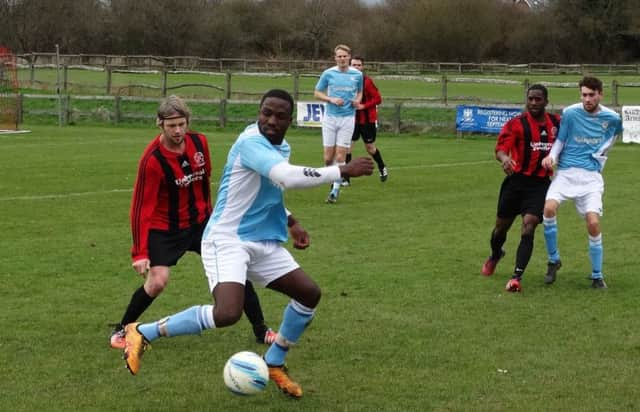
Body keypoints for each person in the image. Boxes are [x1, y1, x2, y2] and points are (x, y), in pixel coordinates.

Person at [121, 89, 374, 398]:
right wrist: (343, 170)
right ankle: (142, 332)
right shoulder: (251, 142)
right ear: (258, 111)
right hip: (226, 239)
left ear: (289, 120)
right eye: (266, 112)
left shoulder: (280, 147)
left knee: (309, 294)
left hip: (260, 240)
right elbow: (288, 178)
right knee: (227, 313)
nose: (271, 120)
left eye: (279, 116)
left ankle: (275, 362)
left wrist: (291, 222)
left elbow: (269, 190)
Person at [109, 95, 276, 350]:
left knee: (235, 270)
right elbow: (141, 208)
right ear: (160, 124)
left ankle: (261, 330)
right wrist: (140, 252)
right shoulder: (152, 160)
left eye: (181, 124)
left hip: (201, 224)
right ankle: (123, 329)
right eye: (171, 125)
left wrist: (215, 219)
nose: (177, 131)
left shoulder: (200, 143)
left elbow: (205, 182)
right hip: (165, 228)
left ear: (188, 122)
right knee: (157, 281)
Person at [540, 76, 622, 289]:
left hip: (591, 178)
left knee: (593, 223)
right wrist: (552, 158)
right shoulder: (570, 113)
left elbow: (615, 136)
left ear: (600, 95)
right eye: (584, 94)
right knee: (548, 209)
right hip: (566, 173)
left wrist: (600, 156)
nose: (587, 99)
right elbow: (561, 139)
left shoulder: (612, 118)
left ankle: (597, 275)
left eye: (591, 95)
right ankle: (553, 259)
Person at [481, 84, 560, 293]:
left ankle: (516, 277)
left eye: (538, 99)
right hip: (515, 183)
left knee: (529, 225)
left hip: (540, 185)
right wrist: (505, 158)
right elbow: (500, 148)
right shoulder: (516, 124)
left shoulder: (556, 123)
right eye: (531, 99)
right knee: (500, 228)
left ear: (546, 101)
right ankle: (496, 254)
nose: (534, 103)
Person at [314, 44, 363, 203]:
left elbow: (360, 92)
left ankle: (334, 190)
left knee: (341, 155)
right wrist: (331, 99)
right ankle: (332, 176)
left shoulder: (357, 74)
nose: (342, 59)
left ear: (349, 57)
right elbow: (317, 93)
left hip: (348, 118)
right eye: (339, 56)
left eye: (344, 56)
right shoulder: (328, 73)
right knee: (328, 158)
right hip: (330, 118)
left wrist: (357, 101)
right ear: (335, 58)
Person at [344, 56, 388, 185]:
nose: (356, 67)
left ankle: (382, 167)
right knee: (347, 148)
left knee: (370, 148)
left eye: (358, 65)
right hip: (352, 120)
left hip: (367, 120)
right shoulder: (346, 81)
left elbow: (378, 99)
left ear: (362, 67)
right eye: (353, 65)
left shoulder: (367, 82)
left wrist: (363, 105)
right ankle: (346, 179)